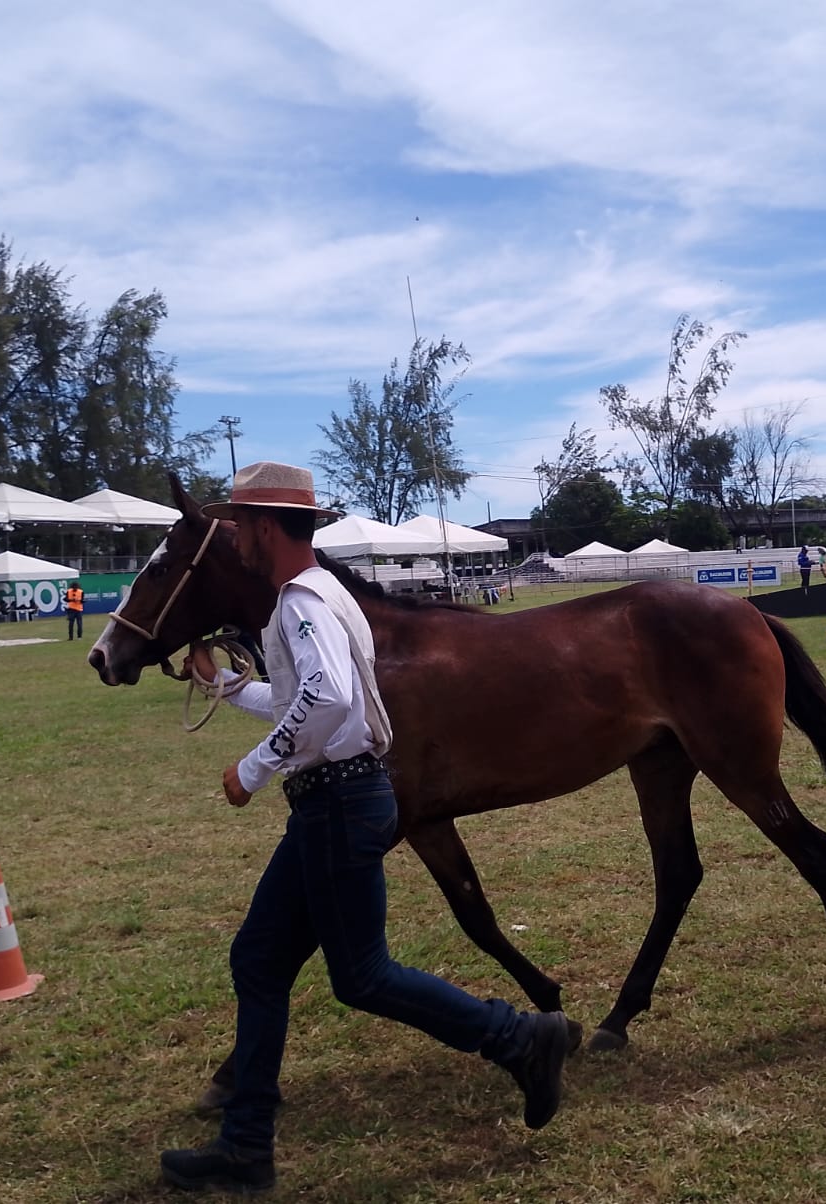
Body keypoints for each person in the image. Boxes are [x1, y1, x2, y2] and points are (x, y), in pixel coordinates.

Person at [163, 461, 572, 1194]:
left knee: (364, 977)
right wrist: (228, 687)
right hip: (338, 798)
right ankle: (245, 1146)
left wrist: (252, 770)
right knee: (258, 960)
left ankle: (521, 1039)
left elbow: (327, 698)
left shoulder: (298, 603)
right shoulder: (322, 593)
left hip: (336, 804)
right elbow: (310, 698)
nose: (235, 544)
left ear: (261, 527)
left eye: (237, 529)